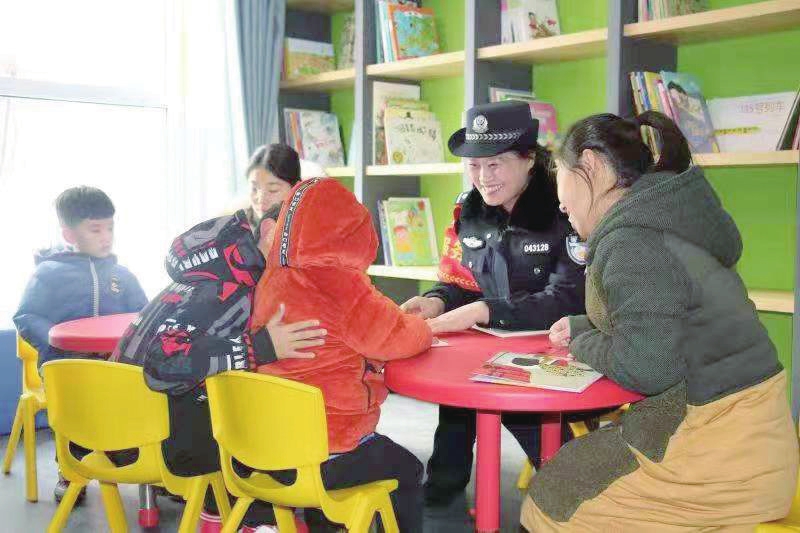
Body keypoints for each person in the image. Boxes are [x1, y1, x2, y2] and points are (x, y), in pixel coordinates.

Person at [521, 111, 798, 531]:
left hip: (720, 456)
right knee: (574, 465)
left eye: (561, 176)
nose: (561, 204)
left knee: (550, 501)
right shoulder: (661, 217)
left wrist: (581, 344)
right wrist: (584, 327)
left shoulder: (630, 241)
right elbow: (663, 316)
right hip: (756, 440)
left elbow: (648, 367)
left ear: (590, 165)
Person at [399, 100, 586, 506]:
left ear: (528, 159)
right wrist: (436, 301)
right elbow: (464, 283)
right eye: (474, 165)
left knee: (529, 421)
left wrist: (487, 311)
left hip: (557, 351)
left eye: (496, 164)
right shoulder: (468, 210)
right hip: (491, 346)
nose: (484, 177)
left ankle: (575, 500)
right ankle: (443, 490)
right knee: (457, 401)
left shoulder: (564, 209)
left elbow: (567, 300)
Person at [111, 205, 327, 532]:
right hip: (147, 441)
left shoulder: (215, 269)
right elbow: (162, 364)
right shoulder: (225, 287)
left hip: (120, 426)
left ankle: (221, 511)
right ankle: (258, 521)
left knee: (241, 406)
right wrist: (261, 347)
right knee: (273, 436)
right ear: (270, 231)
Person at [252, 178, 433, 532]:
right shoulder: (340, 284)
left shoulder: (271, 280)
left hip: (267, 448)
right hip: (329, 449)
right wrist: (424, 327)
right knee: (408, 470)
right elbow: (395, 337)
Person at [13, 185, 149, 502]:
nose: (106, 237)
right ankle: (71, 471)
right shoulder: (48, 274)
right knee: (76, 413)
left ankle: (138, 463)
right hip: (67, 366)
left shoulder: (123, 276)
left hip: (115, 365)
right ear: (70, 234)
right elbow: (26, 316)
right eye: (95, 229)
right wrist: (56, 339)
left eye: (110, 228)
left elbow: (144, 316)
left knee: (141, 397)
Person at [244, 143, 302, 229]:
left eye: (273, 190)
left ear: (296, 189)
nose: (261, 199)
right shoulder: (237, 227)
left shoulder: (309, 226)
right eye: (254, 189)